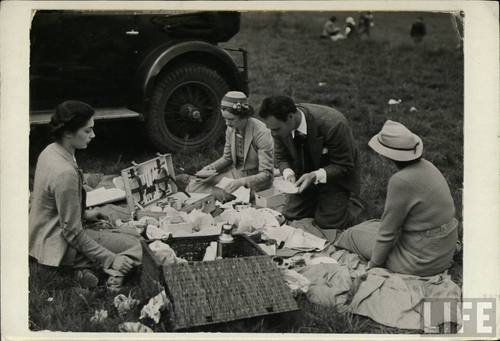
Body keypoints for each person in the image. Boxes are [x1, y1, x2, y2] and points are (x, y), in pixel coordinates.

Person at [29, 100, 142, 290]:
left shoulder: (50, 151)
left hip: (40, 236)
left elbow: (54, 207)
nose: (93, 135)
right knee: (137, 245)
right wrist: (111, 259)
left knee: (121, 229)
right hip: (59, 245)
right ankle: (102, 272)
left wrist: (85, 215)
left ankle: (81, 271)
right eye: (87, 131)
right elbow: (72, 233)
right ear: (67, 133)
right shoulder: (65, 173)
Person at [334, 120, 458, 277]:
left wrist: (374, 265)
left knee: (351, 235)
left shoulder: (401, 180)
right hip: (444, 249)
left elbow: (387, 233)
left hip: (421, 261)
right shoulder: (428, 165)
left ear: (385, 155)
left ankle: (356, 244)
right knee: (371, 225)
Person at [258, 96, 361, 231]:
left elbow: (344, 165)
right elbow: (281, 156)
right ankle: (316, 201)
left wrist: (314, 176)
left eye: (276, 129)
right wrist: (288, 173)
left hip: (336, 178)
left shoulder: (333, 124)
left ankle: (352, 203)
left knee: (328, 224)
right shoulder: (278, 128)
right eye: (270, 129)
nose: (272, 133)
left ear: (290, 117)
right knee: (291, 214)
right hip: (303, 175)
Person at [187, 91, 274, 194]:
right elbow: (227, 158)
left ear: (244, 116)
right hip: (236, 175)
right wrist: (208, 169)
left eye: (231, 119)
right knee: (193, 187)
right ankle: (219, 195)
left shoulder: (261, 133)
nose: (227, 123)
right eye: (225, 119)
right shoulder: (230, 128)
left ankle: (222, 196)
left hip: (255, 181)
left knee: (229, 195)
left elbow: (266, 174)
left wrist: (241, 182)